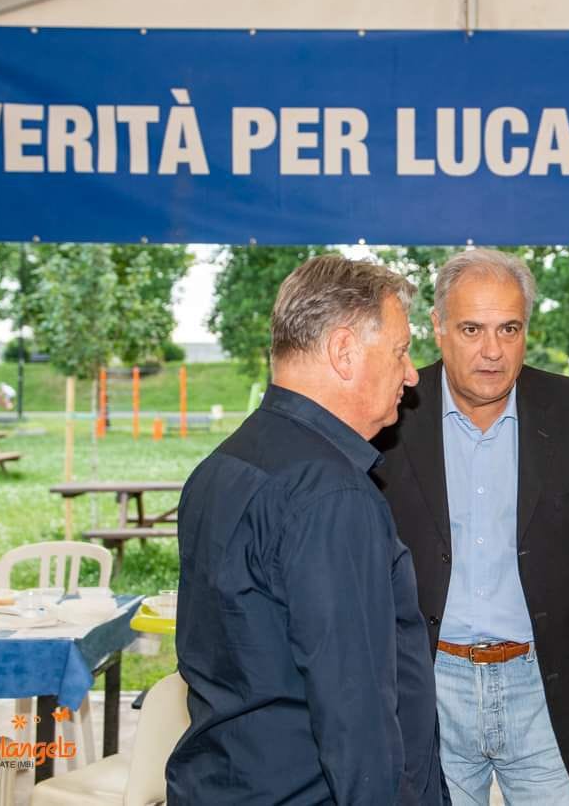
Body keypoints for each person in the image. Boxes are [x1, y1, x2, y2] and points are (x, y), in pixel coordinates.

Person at [168, 255, 448, 805]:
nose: (412, 373)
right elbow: (356, 718)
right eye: (399, 350)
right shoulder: (331, 497)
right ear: (345, 351)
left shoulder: (222, 465)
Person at [373, 248, 569, 805]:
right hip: (427, 685)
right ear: (438, 329)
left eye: (508, 328)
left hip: (544, 687)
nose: (492, 351)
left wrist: (553, 602)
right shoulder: (390, 414)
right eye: (471, 329)